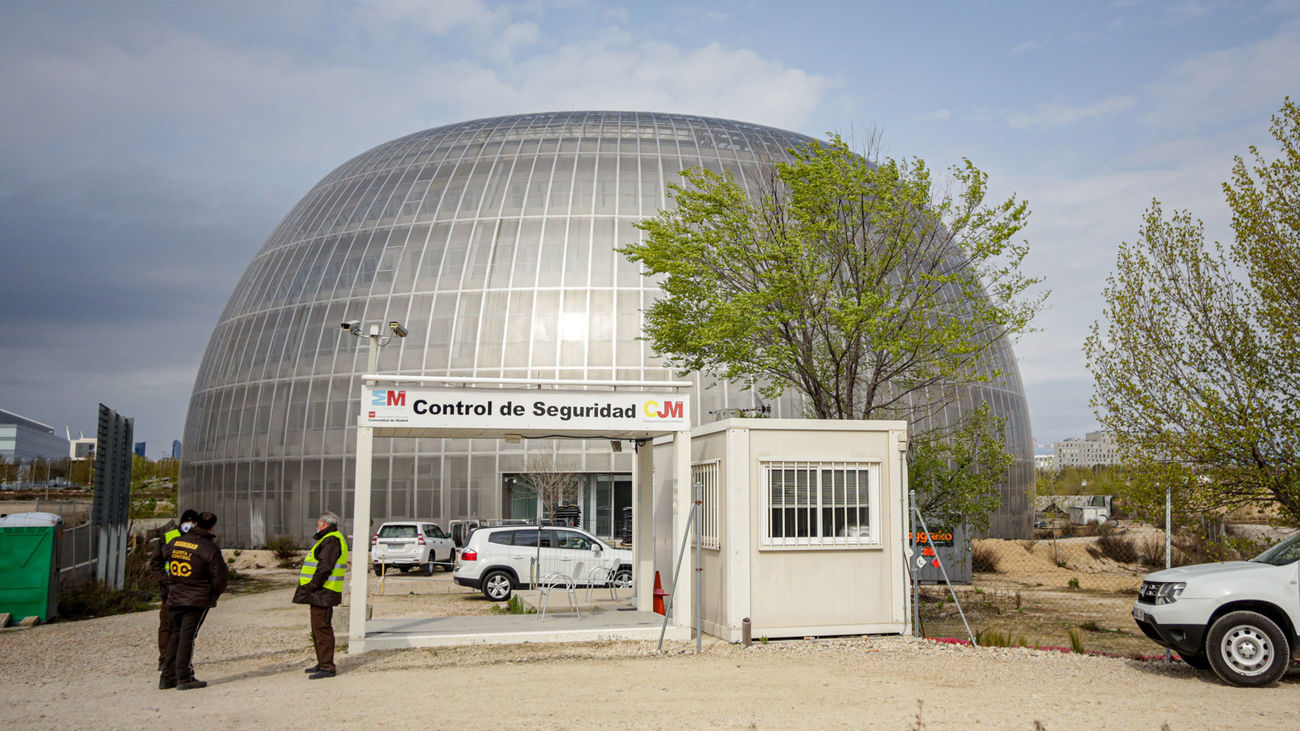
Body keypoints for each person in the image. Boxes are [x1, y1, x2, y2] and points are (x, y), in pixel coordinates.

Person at [159, 511, 227, 691]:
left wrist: (168, 583)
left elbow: (162, 556)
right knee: (187, 637)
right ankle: (184, 677)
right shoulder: (209, 548)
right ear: (212, 527)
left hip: (175, 595)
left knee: (175, 634)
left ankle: (167, 677)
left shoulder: (176, 542)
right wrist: (213, 592)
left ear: (195, 523)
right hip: (196, 598)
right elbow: (219, 578)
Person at [292, 511, 348, 679]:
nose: (316, 526)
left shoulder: (331, 540)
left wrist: (312, 585)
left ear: (325, 524)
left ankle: (327, 666)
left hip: (323, 591)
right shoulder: (329, 539)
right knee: (318, 628)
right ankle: (322, 662)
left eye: (318, 523)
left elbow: (325, 567)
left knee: (322, 629)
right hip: (322, 591)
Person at [148, 509, 200, 672]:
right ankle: (164, 660)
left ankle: (180, 660)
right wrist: (166, 582)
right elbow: (155, 563)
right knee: (167, 625)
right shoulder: (168, 538)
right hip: (170, 591)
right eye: (187, 521)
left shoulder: (198, 539)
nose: (189, 525)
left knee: (186, 628)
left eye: (193, 522)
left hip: (190, 591)